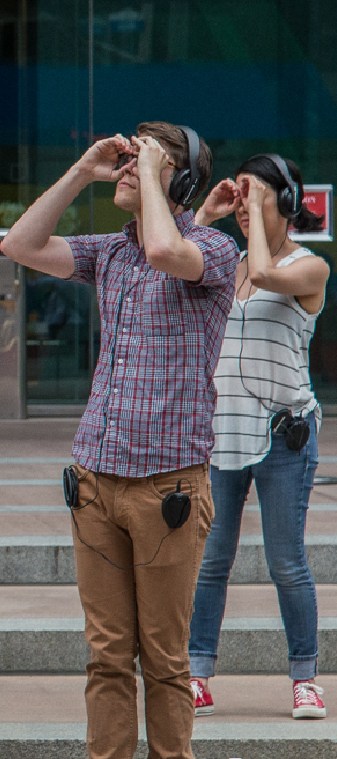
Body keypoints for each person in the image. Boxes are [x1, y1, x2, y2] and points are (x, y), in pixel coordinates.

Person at [0, 122, 238, 759]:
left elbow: (165, 251)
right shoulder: (110, 251)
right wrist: (82, 170)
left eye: (146, 160)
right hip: (95, 483)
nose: (128, 169)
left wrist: (159, 177)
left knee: (164, 659)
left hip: (169, 491)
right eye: (130, 159)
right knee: (106, 657)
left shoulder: (213, 250)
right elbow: (19, 246)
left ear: (180, 180)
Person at [187, 155, 328, 720]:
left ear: (285, 201)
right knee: (210, 561)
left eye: (254, 197)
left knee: (286, 561)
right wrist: (208, 212)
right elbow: (176, 263)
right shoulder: (226, 260)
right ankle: (196, 674)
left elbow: (269, 276)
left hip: (283, 437)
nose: (243, 207)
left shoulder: (309, 267)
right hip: (221, 435)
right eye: (240, 198)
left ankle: (305, 678)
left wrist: (267, 207)